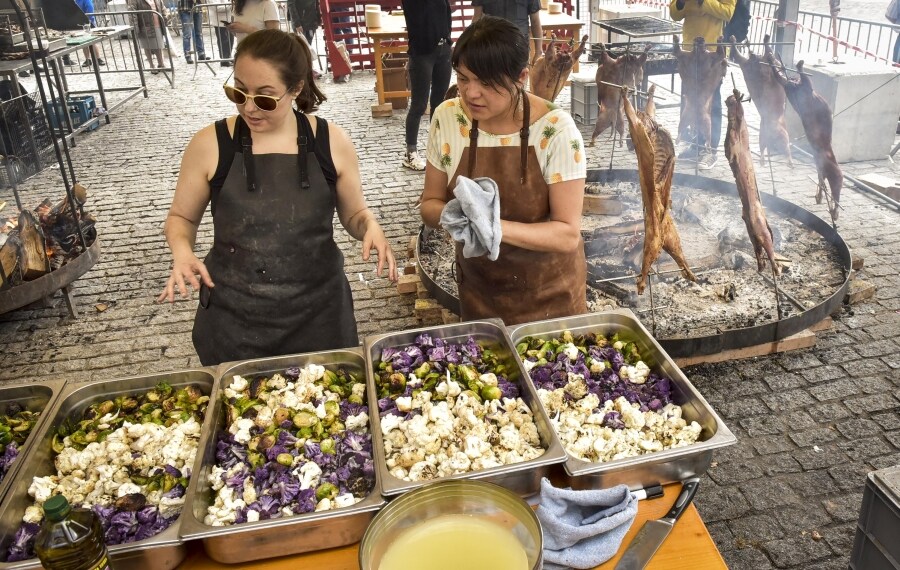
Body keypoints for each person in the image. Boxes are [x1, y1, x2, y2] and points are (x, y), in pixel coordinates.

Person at [158, 29, 398, 365]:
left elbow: (355, 213)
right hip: (235, 322)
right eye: (239, 92)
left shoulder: (331, 142)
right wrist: (182, 252)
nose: (250, 108)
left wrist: (370, 226)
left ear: (296, 88)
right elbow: (182, 218)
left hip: (320, 317)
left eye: (266, 98)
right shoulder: (210, 144)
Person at [419, 15, 586, 326]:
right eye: (464, 78)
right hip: (480, 297)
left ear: (520, 77)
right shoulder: (448, 118)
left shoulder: (556, 130)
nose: (471, 94)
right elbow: (429, 204)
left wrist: (490, 227)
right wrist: (455, 214)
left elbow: (566, 234)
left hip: (552, 301)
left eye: (487, 82)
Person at [669, 0, 735, 169]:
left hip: (712, 55)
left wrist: (703, 1)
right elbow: (674, 14)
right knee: (691, 101)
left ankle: (711, 151)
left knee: (711, 103)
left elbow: (727, 12)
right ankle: (697, 145)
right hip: (690, 54)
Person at [400, 0, 452, 171]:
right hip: (422, 54)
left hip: (443, 50)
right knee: (419, 104)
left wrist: (448, 41)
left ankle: (437, 148)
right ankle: (410, 152)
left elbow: (446, 15)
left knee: (439, 103)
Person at [472, 0, 543, 64]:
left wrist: (538, 52)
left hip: (519, 47)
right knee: (492, 76)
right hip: (492, 47)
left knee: (520, 76)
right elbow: (477, 18)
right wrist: (471, 47)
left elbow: (535, 21)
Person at [128, 0, 168, 72]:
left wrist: (165, 19)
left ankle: (161, 64)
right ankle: (152, 66)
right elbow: (132, 14)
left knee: (159, 45)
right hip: (144, 25)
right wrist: (135, 28)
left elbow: (163, 8)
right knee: (147, 46)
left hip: (157, 24)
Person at [73, 0, 106, 67]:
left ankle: (98, 58)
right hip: (80, 23)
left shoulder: (86, 0)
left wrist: (89, 22)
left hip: (88, 23)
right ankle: (88, 59)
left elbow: (90, 10)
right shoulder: (75, 1)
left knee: (92, 41)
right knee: (84, 42)